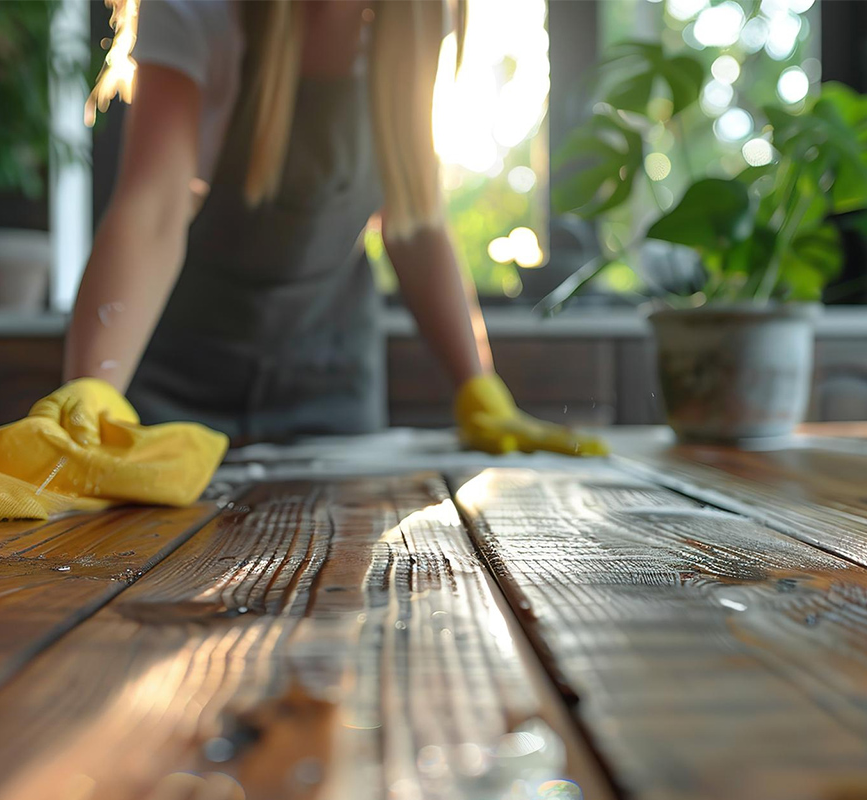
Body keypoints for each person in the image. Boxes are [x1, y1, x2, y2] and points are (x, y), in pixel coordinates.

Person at [46, 0, 603, 457]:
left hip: (331, 375)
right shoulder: (199, 10)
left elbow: (415, 219)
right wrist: (91, 395)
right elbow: (153, 208)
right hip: (177, 376)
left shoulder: (418, 16)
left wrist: (478, 388)